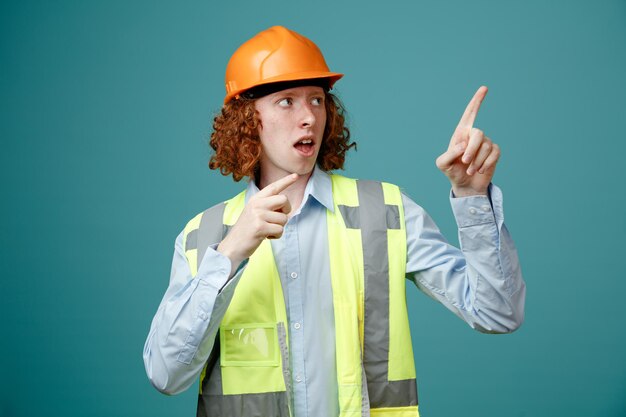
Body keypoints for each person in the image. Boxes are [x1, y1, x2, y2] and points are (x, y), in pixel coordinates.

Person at [143, 25, 526, 417]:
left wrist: (472, 196)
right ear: (246, 117)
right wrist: (229, 253)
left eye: (316, 100)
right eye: (287, 101)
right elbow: (165, 375)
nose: (309, 116)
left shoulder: (387, 212)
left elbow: (498, 312)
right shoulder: (201, 237)